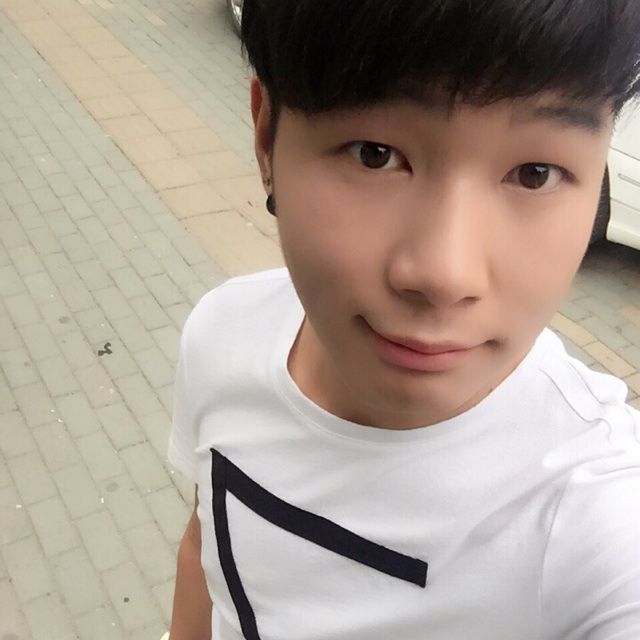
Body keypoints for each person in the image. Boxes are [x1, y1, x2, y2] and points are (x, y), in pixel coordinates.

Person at [167, 1, 640, 638]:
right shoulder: (224, 333)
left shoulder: (593, 515)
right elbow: (206, 549)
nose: (446, 275)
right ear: (265, 137)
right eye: (374, 154)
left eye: (535, 174)